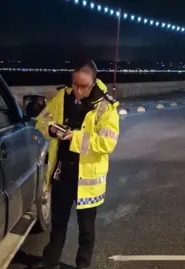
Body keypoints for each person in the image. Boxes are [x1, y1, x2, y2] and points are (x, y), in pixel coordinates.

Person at [32, 60, 120, 269]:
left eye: (83, 86)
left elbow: (107, 143)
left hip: (87, 179)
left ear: (93, 83)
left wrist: (74, 137)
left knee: (86, 229)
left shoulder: (106, 107)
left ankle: (82, 264)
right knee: (58, 223)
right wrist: (51, 129)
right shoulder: (63, 97)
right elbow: (41, 120)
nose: (78, 91)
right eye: (75, 84)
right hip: (62, 172)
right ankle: (50, 260)